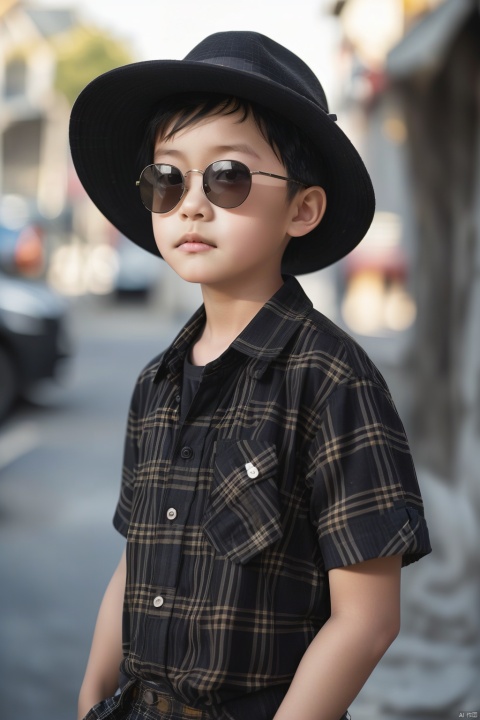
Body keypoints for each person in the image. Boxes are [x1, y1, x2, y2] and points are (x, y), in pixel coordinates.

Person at [70, 31, 431, 720]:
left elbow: (368, 618)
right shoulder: (156, 384)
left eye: (227, 175)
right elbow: (135, 560)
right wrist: (92, 689)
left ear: (302, 208)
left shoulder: (333, 381)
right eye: (167, 177)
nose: (192, 203)